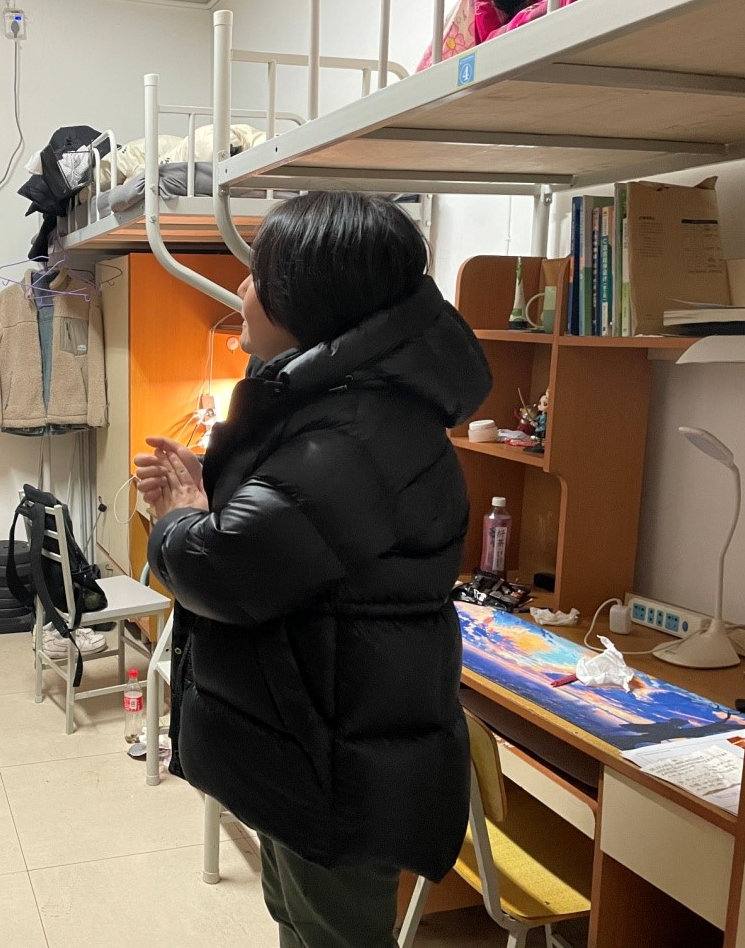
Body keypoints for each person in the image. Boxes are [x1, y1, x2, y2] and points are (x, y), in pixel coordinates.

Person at [135, 192, 492, 948]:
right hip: (312, 738)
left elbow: (224, 570)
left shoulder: (355, 432)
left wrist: (179, 514)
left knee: (330, 933)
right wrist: (212, 493)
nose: (241, 289)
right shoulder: (338, 405)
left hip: (334, 760)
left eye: (257, 276)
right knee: (299, 920)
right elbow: (287, 534)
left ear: (308, 299)